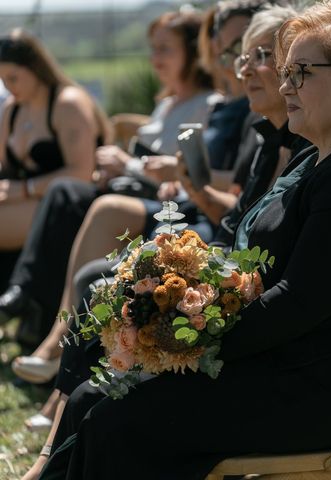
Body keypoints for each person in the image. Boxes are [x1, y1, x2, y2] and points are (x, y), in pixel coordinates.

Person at [36, 1, 331, 479]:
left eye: (300, 73)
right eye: (284, 72)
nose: (284, 87)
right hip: (273, 364)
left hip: (310, 389)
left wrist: (189, 345)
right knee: (95, 396)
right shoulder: (320, 156)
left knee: (120, 419)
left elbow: (298, 302)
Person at [0, 9, 215, 360]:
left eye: (165, 50)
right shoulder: (166, 105)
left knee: (65, 194)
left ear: (193, 52)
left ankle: (39, 321)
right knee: (64, 197)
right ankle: (33, 319)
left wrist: (126, 164)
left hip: (154, 204)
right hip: (124, 190)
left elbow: (184, 173)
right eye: (152, 49)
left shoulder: (206, 106)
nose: (154, 58)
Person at [0, 29, 111, 288]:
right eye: (2, 79)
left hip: (69, 209)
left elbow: (82, 172)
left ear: (35, 68)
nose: (7, 86)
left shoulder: (68, 104)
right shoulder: (12, 110)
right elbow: (4, 166)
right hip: (25, 204)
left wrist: (24, 189)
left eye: (13, 77)